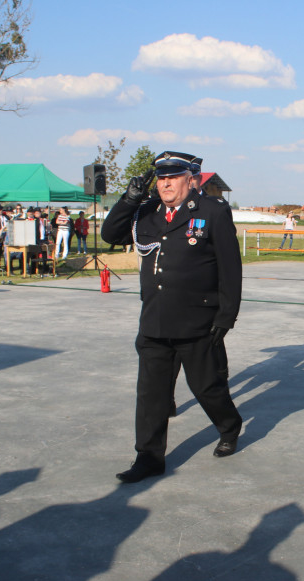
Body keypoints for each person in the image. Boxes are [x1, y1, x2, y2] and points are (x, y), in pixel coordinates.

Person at [101, 150, 243, 483]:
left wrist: (226, 316)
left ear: (189, 180)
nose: (166, 184)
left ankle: (229, 426)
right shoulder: (146, 213)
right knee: (151, 394)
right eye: (161, 178)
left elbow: (230, 269)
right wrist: (128, 199)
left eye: (173, 177)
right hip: (154, 320)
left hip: (197, 321)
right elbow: (110, 235)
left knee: (207, 387)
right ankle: (148, 457)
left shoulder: (211, 212)